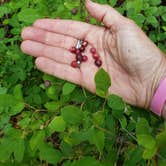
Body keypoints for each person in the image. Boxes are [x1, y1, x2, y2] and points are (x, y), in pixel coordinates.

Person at [20, 0, 166, 119]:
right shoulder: (83, 51)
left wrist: (155, 79)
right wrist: (154, 80)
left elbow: (84, 54)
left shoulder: (87, 51)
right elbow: (82, 54)